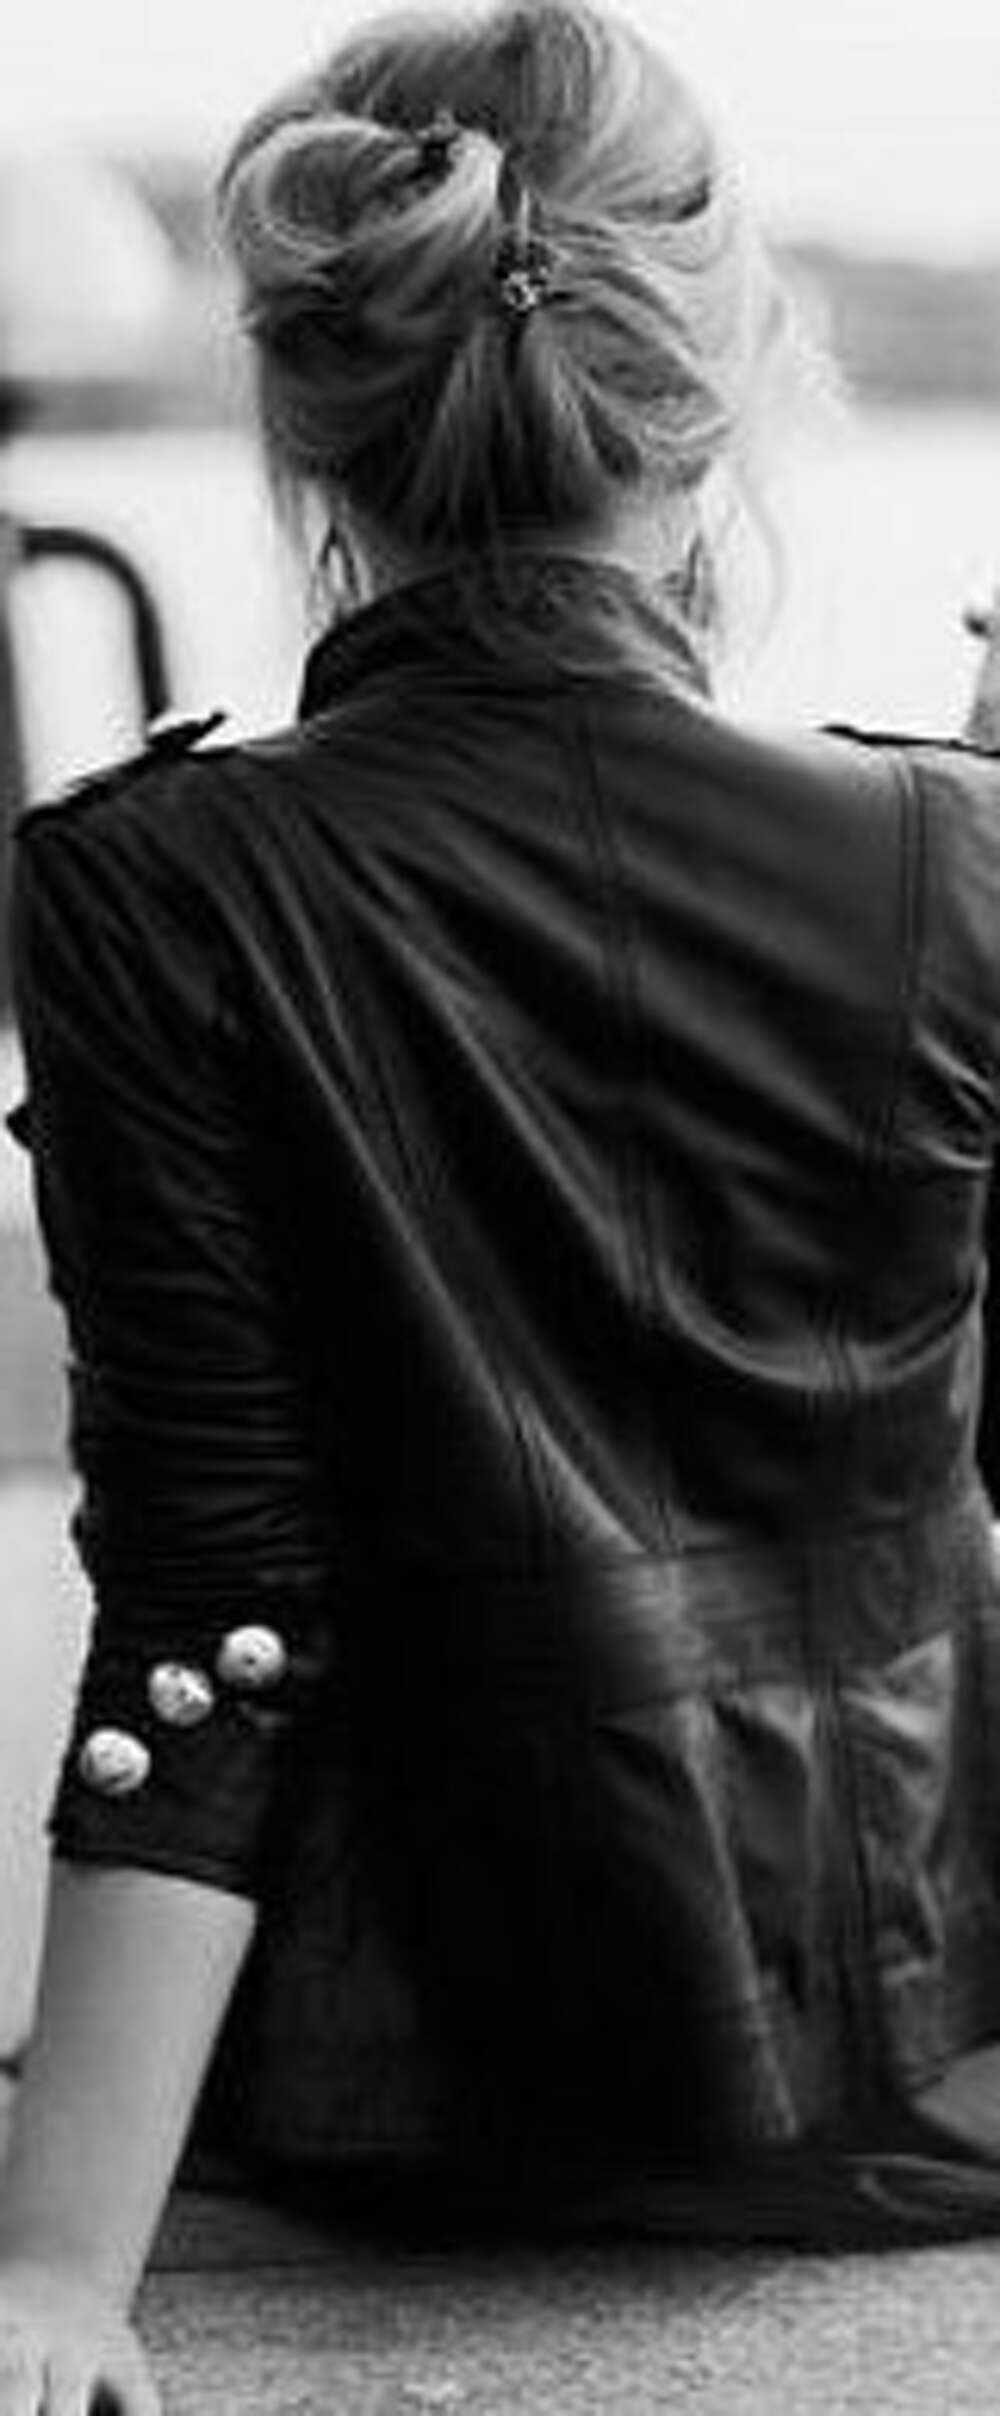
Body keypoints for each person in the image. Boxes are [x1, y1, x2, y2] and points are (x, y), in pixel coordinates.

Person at [5, 0, 1000, 2404]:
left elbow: (212, 1596)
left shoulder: (147, 884)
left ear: (299, 411)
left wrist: (56, 2261)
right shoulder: (954, 848)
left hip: (400, 2099)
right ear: (723, 383)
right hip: (928, 2082)